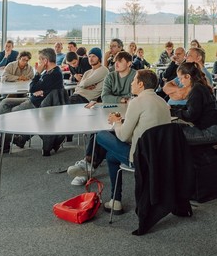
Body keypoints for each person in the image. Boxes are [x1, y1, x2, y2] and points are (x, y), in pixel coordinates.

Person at [70, 69, 172, 214]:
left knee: (100, 135)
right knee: (111, 157)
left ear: (141, 84)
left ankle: (90, 164)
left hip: (139, 158)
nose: (131, 83)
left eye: (134, 80)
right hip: (158, 156)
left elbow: (124, 137)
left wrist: (116, 122)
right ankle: (115, 201)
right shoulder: (162, 102)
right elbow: (145, 131)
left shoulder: (137, 102)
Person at [0, 48, 65, 155]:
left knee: (7, 113)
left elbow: (32, 87)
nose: (39, 62)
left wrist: (37, 74)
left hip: (36, 104)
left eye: (41, 60)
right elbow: (34, 89)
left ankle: (3, 144)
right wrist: (37, 90)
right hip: (33, 99)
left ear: (45, 60)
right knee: (5, 102)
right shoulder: (49, 72)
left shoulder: (53, 74)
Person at [175, 62, 217, 145]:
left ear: (188, 76)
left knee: (173, 135)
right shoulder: (200, 86)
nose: (180, 81)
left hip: (210, 132)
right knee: (176, 129)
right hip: (214, 129)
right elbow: (191, 107)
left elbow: (191, 116)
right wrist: (174, 108)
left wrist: (173, 112)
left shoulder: (196, 90)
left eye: (180, 78)